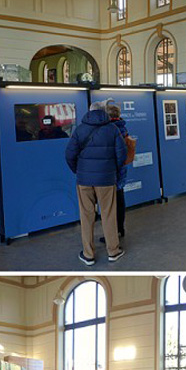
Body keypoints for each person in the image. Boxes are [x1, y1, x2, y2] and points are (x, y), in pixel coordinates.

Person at [65, 101, 127, 266]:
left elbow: (69, 154)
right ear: (103, 112)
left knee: (86, 216)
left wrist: (78, 171)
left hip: (84, 180)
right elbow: (122, 154)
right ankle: (113, 251)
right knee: (108, 214)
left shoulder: (80, 129)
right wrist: (112, 170)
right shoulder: (112, 129)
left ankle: (88, 254)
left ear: (90, 112)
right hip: (106, 180)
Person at [102, 103, 129, 240]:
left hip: (111, 170)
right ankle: (120, 228)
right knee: (120, 199)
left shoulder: (109, 129)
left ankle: (112, 233)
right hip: (122, 169)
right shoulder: (122, 127)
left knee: (110, 204)